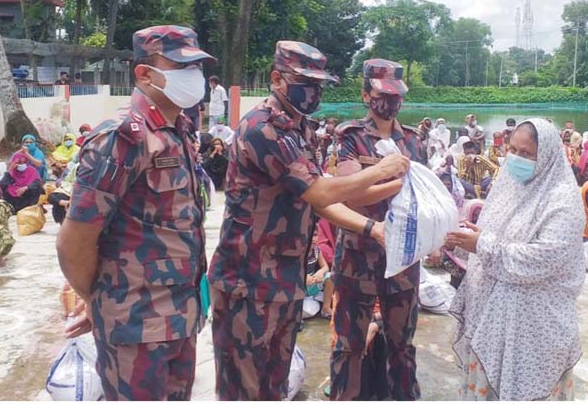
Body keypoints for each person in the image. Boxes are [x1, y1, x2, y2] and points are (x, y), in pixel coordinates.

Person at [207, 42, 408, 401]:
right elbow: (319, 191)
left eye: (318, 85)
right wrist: (381, 170)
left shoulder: (300, 130)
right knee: (243, 390)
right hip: (247, 282)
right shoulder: (262, 128)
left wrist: (370, 228)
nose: (313, 93)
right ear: (276, 80)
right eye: (304, 82)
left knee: (273, 387)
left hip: (284, 280)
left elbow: (319, 200)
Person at [56, 25, 215, 401]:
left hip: (183, 316)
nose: (194, 78)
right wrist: (98, 300)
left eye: (196, 68)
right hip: (135, 323)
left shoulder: (180, 131)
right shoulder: (122, 137)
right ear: (144, 73)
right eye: (181, 67)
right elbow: (74, 241)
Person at [445, 118, 585, 401]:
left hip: (535, 329)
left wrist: (482, 243)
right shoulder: (507, 184)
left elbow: (538, 259)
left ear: (545, 156)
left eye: (526, 153)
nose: (517, 158)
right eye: (513, 150)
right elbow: (489, 232)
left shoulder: (563, 202)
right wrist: (466, 240)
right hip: (492, 322)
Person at [329, 58, 422, 401]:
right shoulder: (350, 136)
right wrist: (394, 181)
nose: (392, 102)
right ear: (366, 94)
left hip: (403, 259)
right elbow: (348, 194)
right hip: (358, 257)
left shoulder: (412, 141)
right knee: (349, 345)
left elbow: (425, 198)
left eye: (397, 95)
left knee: (402, 345)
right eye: (384, 94)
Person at [441, 199, 484, 289]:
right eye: (474, 214)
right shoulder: (460, 229)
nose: (476, 218)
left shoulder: (484, 234)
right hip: (458, 271)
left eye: (479, 215)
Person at [48, 155, 79, 225]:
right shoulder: (73, 170)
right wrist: (63, 202)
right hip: (71, 191)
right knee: (58, 198)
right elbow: (51, 197)